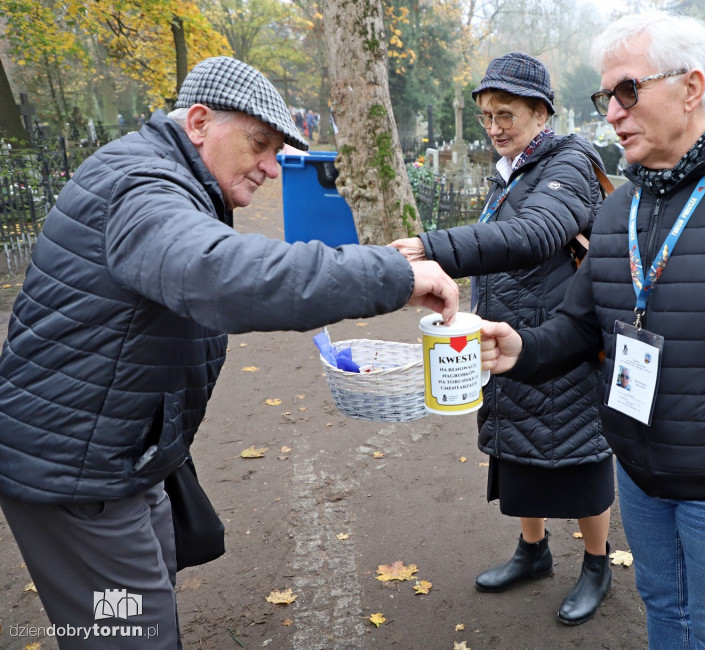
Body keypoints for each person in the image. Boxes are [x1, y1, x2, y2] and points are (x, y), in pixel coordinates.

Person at [0, 55, 458, 650]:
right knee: (128, 636)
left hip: (114, 455)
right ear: (197, 122)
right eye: (260, 144)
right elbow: (221, 275)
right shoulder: (141, 188)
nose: (272, 166)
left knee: (139, 615)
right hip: (79, 477)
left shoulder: (163, 176)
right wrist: (392, 273)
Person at [478, 13, 705, 649]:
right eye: (606, 97)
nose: (613, 113)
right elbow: (579, 322)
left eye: (628, 91)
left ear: (691, 86)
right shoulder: (620, 203)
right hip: (639, 475)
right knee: (660, 609)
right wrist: (522, 348)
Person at [389, 52, 612, 625]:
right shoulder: (512, 169)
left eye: (506, 113)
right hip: (506, 336)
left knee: (579, 458)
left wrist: (432, 247)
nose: (493, 127)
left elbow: (534, 235)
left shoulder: (569, 166)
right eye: (487, 114)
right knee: (521, 452)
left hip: (561, 341)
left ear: (541, 113)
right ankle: (532, 553)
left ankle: (596, 564)